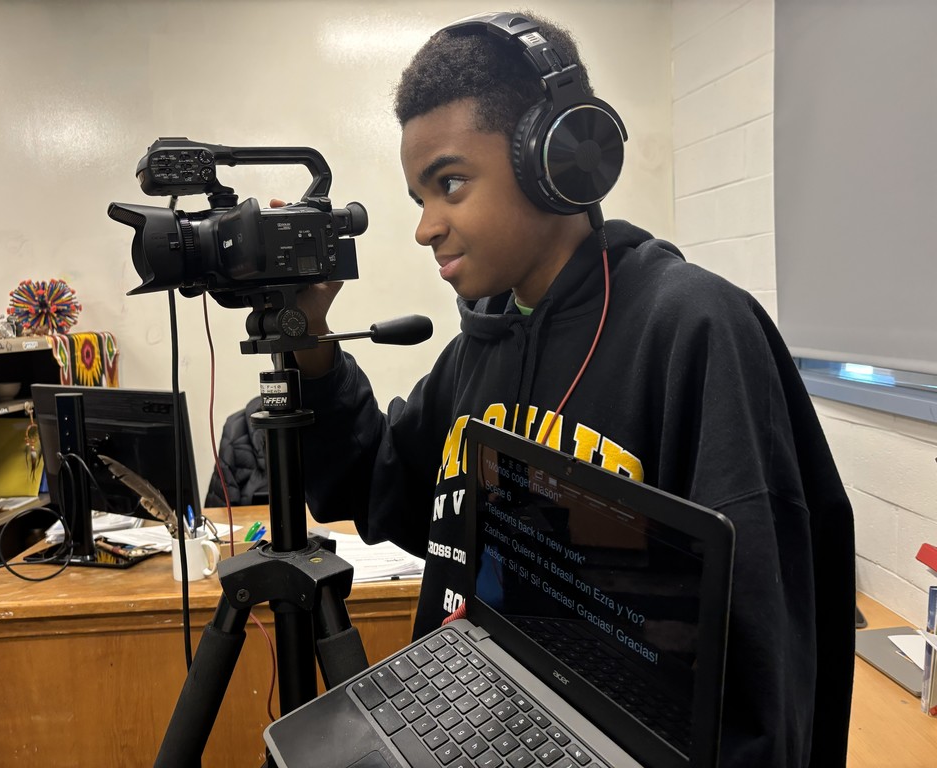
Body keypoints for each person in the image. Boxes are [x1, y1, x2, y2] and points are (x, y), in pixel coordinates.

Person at [289, 10, 855, 768]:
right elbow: (384, 489)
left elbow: (760, 664)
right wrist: (312, 346)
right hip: (475, 726)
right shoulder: (479, 347)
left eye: (450, 184)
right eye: (419, 197)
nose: (426, 227)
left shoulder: (695, 330)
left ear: (557, 163)